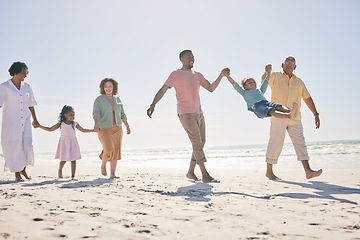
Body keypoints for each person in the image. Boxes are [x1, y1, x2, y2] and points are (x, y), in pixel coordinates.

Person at [147, 49, 227, 183]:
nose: (192, 58)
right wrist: (153, 104)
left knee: (201, 142)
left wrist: (221, 75)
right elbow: (163, 89)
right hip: (185, 113)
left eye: (193, 57)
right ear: (182, 59)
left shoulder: (198, 75)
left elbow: (211, 88)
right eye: (189, 57)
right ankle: (205, 175)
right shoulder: (175, 74)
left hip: (199, 113)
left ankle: (190, 172)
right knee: (197, 143)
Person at [264, 56, 322, 180]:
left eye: (292, 64)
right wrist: (266, 73)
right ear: (282, 65)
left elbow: (307, 98)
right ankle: (269, 172)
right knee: (275, 142)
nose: (289, 65)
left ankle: (308, 171)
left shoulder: (299, 82)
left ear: (295, 67)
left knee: (300, 142)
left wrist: (315, 114)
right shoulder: (275, 76)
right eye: (287, 63)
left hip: (295, 117)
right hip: (279, 115)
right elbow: (265, 81)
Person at [0, 61, 39, 181]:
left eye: (26, 73)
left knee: (27, 145)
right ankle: (17, 174)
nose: (25, 76)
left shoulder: (27, 87)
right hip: (11, 123)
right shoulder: (4, 87)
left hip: (25, 121)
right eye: (23, 73)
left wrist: (35, 119)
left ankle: (24, 169)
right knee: (14, 146)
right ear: (15, 73)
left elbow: (31, 104)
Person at [38, 105, 94, 180]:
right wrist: (39, 126)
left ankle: (73, 176)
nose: (73, 117)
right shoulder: (61, 123)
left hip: (73, 143)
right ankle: (60, 170)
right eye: (71, 115)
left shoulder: (75, 124)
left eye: (74, 115)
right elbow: (50, 129)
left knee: (73, 159)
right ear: (65, 115)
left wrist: (93, 130)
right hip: (64, 143)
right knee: (63, 159)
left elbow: (84, 130)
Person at [224, 67, 298, 119]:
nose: (252, 83)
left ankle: (291, 110)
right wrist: (228, 76)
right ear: (245, 87)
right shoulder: (244, 92)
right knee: (271, 110)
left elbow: (265, 83)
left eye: (253, 82)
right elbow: (235, 84)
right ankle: (288, 115)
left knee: (277, 105)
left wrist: (268, 73)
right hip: (257, 107)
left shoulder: (259, 91)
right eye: (249, 82)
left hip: (266, 103)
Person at [93, 78, 131, 179]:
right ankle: (103, 165)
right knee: (108, 149)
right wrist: (96, 124)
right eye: (106, 86)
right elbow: (96, 113)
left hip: (117, 128)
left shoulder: (117, 99)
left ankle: (112, 174)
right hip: (104, 128)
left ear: (113, 87)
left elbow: (122, 114)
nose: (108, 88)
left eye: (110, 86)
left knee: (116, 151)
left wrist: (127, 125)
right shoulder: (99, 100)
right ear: (103, 88)